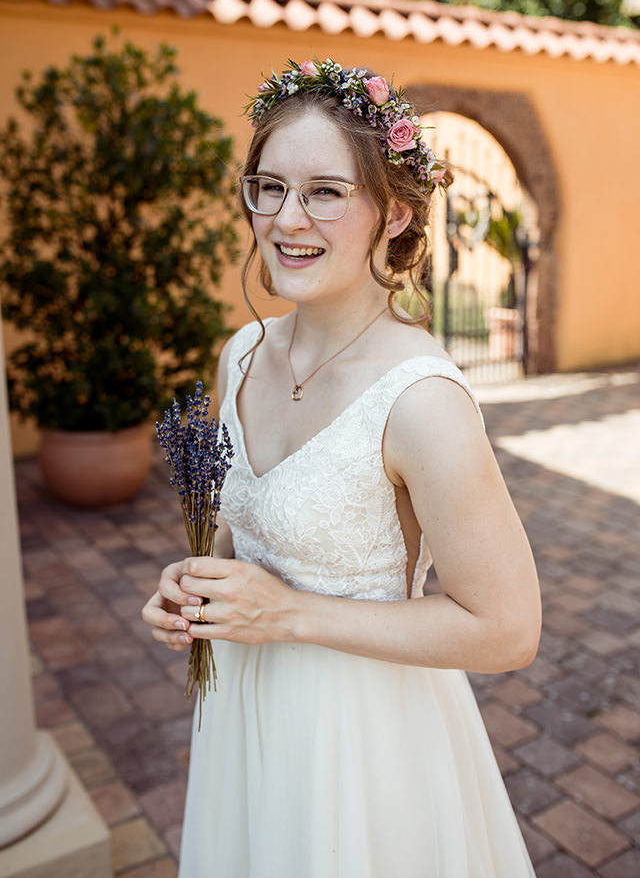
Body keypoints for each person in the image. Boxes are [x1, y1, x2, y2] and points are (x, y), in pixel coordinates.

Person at [142, 57, 541, 877]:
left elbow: (508, 629)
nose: (289, 219)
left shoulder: (421, 401)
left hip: (364, 743)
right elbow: (235, 542)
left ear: (393, 214)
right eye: (270, 188)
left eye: (326, 191)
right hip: (245, 717)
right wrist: (195, 587)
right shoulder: (242, 354)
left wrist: (287, 616)